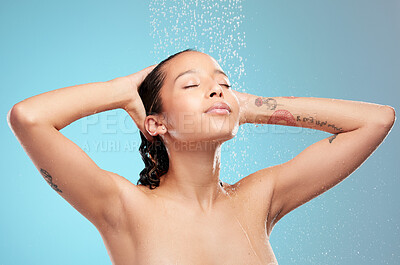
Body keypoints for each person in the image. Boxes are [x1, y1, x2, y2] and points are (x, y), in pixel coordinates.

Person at [7, 48, 395, 265]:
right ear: (155, 123)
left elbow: (376, 121)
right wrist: (123, 90)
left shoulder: (259, 198)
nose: (216, 91)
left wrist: (252, 106)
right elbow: (29, 118)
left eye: (224, 84)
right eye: (192, 84)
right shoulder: (123, 206)